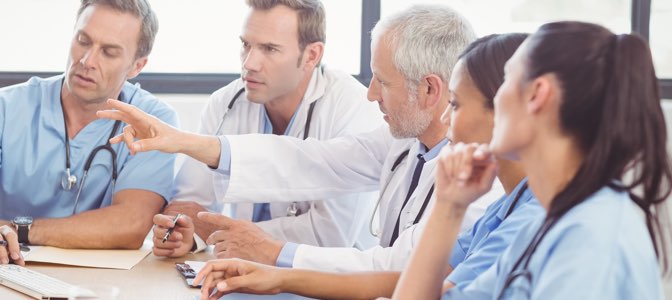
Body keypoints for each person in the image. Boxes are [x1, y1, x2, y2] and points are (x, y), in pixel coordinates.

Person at [100, 4, 500, 272]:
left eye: (383, 81)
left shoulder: (481, 178)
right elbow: (311, 161)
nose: (371, 93)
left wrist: (272, 253)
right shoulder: (401, 142)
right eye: (246, 45)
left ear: (430, 90)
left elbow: (393, 265)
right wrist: (182, 141)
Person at [190, 33, 548, 300]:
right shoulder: (506, 208)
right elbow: (415, 281)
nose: (445, 118)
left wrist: (278, 260)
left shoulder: (530, 218)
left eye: (455, 104)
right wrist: (278, 276)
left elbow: (414, 283)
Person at [393, 21, 671, 299]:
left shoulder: (590, 238)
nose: (497, 96)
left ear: (537, 94)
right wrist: (449, 206)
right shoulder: (544, 225)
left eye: (506, 79)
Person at [0, 0, 177, 266]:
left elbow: (131, 225)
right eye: (83, 41)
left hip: (101, 281)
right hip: (3, 268)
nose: (87, 61)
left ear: (136, 66)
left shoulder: (153, 122)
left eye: (109, 52)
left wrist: (16, 230)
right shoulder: (2, 107)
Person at [152, 0, 381, 261]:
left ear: (311, 55)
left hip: (326, 280)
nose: (250, 63)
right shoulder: (225, 103)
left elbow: (330, 235)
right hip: (240, 271)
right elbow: (189, 204)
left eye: (269, 49)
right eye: (245, 45)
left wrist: (215, 231)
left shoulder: (352, 107)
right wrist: (182, 233)